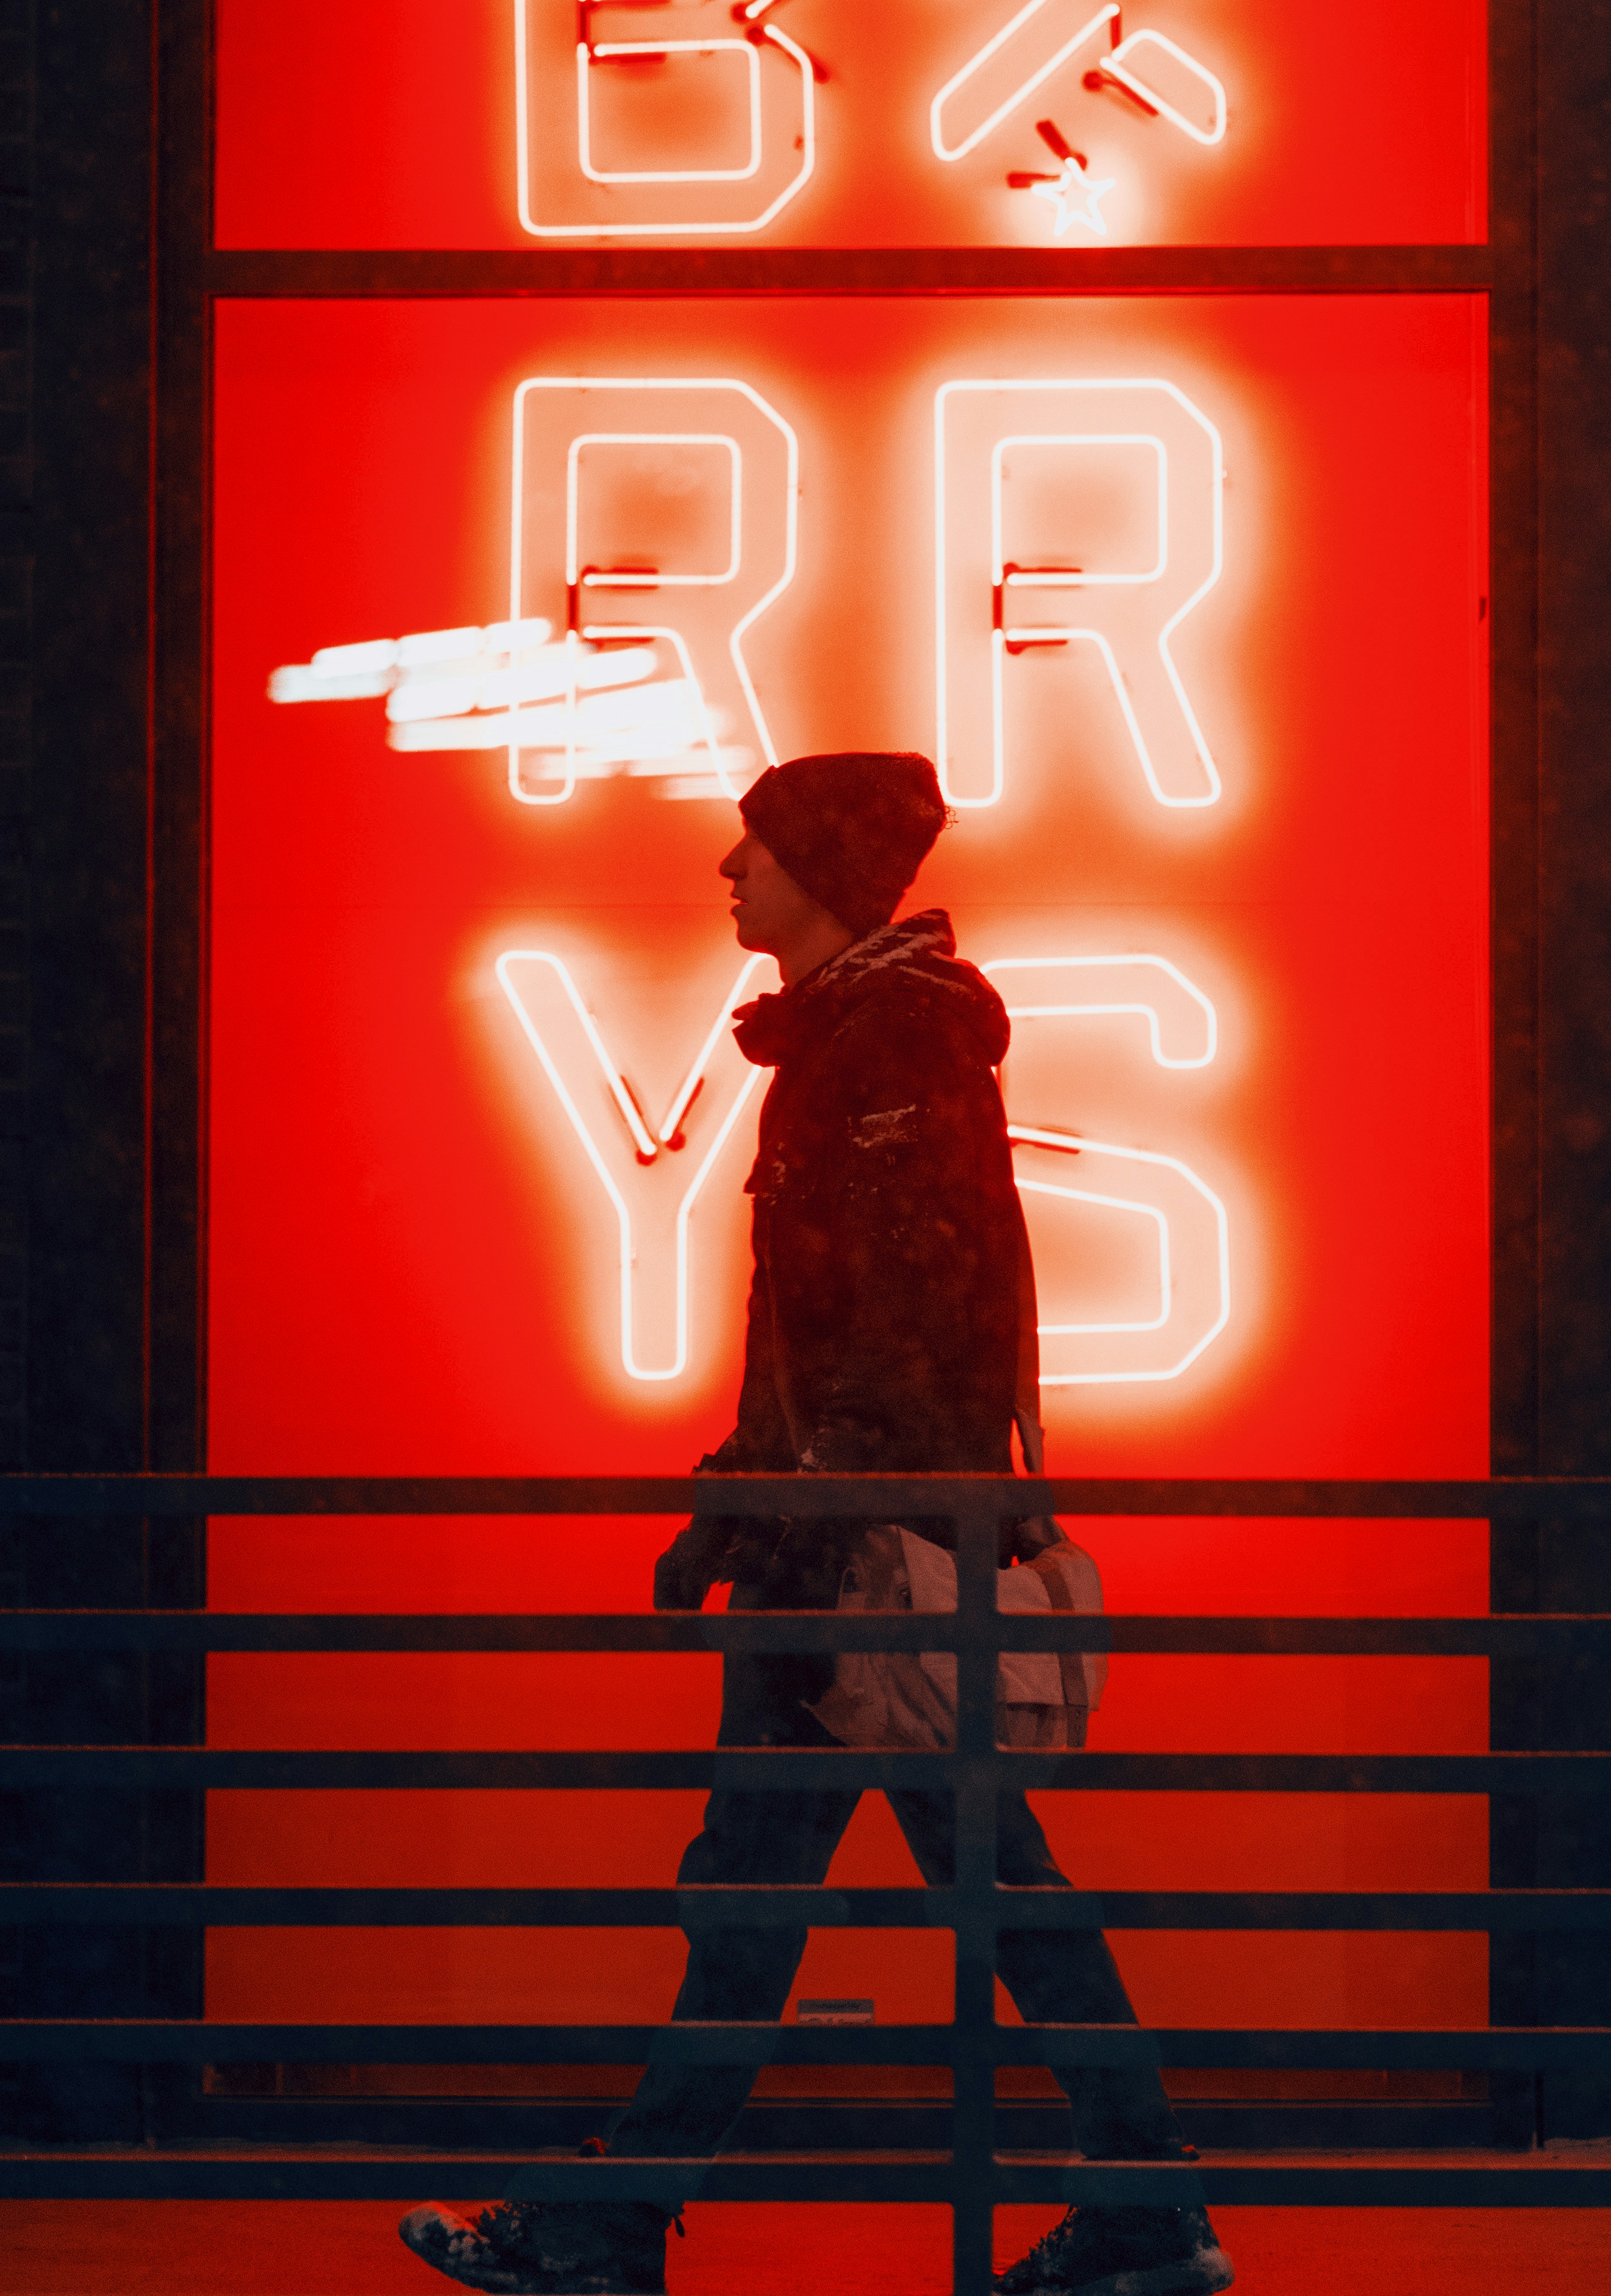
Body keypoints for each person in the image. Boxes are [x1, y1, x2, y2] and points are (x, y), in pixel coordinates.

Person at [402, 749, 1229, 2296]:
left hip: (858, 1557)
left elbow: (907, 1312)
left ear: (826, 875)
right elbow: (831, 1332)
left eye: (758, 849)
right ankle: (1140, 2201)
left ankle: (626, 2224)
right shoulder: (858, 1041)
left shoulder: (890, 1045)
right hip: (859, 1540)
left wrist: (790, 1511)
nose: (730, 871)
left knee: (808, 1896)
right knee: (912, 1887)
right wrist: (742, 1503)